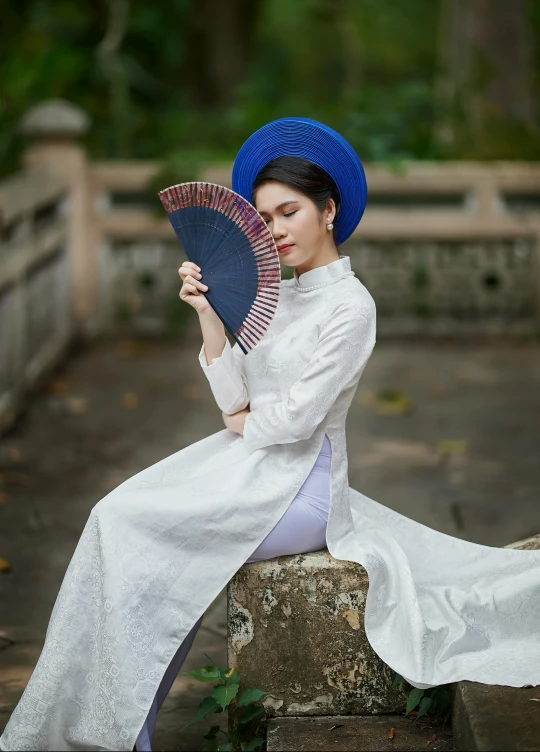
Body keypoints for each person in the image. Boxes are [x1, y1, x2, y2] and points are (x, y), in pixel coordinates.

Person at [1, 118, 539, 752]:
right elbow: (235, 399)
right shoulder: (275, 297)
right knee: (115, 521)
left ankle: (113, 733)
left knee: (140, 533)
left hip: (303, 484)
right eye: (264, 218)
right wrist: (208, 318)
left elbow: (293, 421)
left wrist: (242, 422)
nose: (276, 230)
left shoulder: (351, 308)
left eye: (290, 212)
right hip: (251, 460)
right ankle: (115, 731)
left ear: (329, 210)